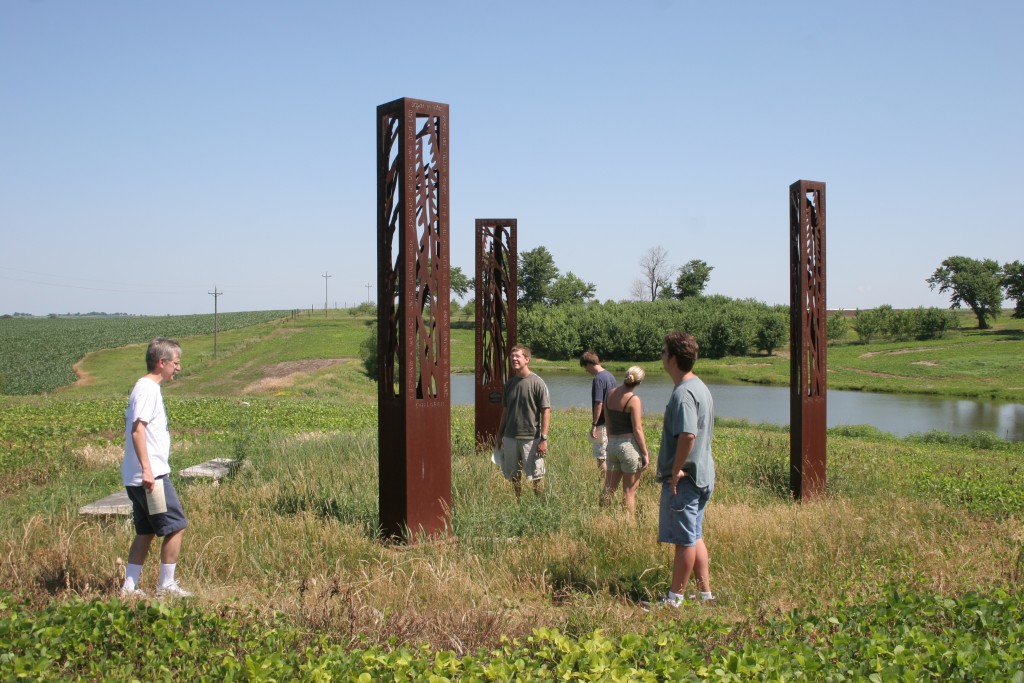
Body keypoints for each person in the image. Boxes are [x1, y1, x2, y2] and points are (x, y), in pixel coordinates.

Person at [119, 338, 193, 598]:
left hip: (137, 475)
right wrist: (148, 471)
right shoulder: (147, 390)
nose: (178, 368)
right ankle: (166, 586)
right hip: (150, 477)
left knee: (146, 531)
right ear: (161, 363)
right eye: (175, 362)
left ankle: (129, 587)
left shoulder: (145, 388)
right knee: (176, 526)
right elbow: (138, 431)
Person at [656, 331, 715, 606]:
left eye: (664, 351)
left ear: (674, 358)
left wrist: (676, 471)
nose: (661, 355)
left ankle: (674, 599)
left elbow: (688, 435)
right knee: (694, 534)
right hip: (702, 475)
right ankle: (705, 595)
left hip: (687, 478)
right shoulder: (700, 386)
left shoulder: (684, 394)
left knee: (684, 541)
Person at [494, 344, 551, 497]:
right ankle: (518, 503)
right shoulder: (509, 384)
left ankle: (540, 506)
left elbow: (546, 411)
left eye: (517, 356)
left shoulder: (537, 383)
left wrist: (543, 438)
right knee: (513, 474)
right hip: (510, 437)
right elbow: (505, 411)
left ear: (527, 359)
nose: (514, 359)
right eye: (512, 357)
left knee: (536, 475)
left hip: (531, 439)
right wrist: (500, 435)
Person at [600, 366, 650, 514]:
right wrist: (645, 453)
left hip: (612, 445)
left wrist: (610, 443)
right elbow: (638, 429)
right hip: (628, 446)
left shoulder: (609, 394)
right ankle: (628, 525)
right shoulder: (634, 399)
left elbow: (607, 422)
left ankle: (602, 518)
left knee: (609, 488)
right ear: (639, 383)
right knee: (629, 492)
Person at [579, 350, 616, 476]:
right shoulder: (610, 376)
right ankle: (610, 483)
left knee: (601, 457)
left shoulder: (598, 379)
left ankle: (607, 485)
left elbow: (598, 403)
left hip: (602, 423)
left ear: (589, 364)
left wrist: (594, 424)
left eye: (585, 367)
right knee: (609, 455)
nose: (586, 371)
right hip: (612, 422)